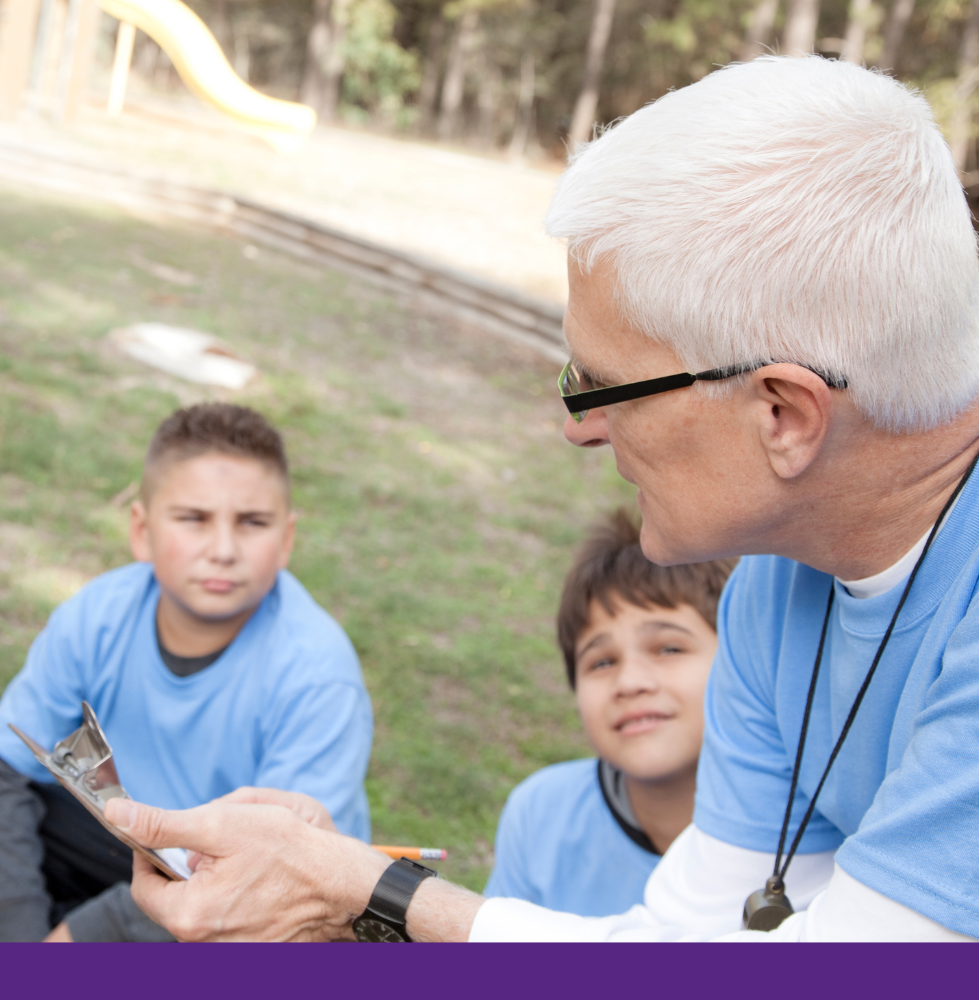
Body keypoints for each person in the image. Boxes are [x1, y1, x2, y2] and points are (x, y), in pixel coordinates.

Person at [95, 56, 979, 942]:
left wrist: (369, 890)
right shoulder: (772, 591)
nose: (579, 428)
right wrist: (344, 895)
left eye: (605, 388)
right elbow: (690, 946)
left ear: (784, 414)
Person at [0, 402, 373, 942]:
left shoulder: (317, 671)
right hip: (127, 848)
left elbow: (289, 876)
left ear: (287, 540)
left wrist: (74, 939)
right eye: (194, 519)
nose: (224, 550)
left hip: (243, 885)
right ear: (142, 530)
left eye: (252, 523)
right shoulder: (99, 612)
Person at [484, 508, 733, 916]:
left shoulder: (813, 839)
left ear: (744, 660)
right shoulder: (541, 813)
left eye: (668, 648)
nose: (630, 682)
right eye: (601, 662)